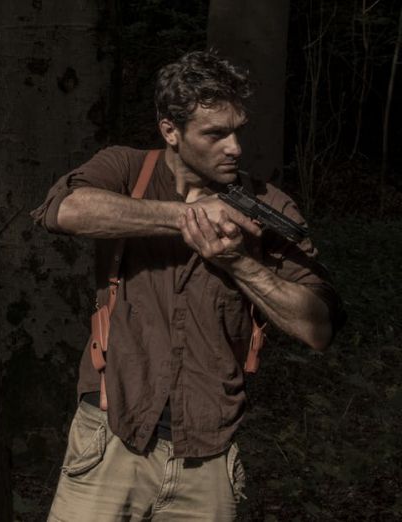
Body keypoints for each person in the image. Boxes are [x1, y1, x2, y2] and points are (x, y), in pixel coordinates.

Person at [30, 50, 344, 521]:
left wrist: (238, 262)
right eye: (215, 134)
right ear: (170, 131)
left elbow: (318, 328)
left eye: (238, 129)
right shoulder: (127, 170)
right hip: (109, 438)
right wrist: (186, 218)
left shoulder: (270, 205)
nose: (234, 147)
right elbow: (64, 211)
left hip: (208, 455)